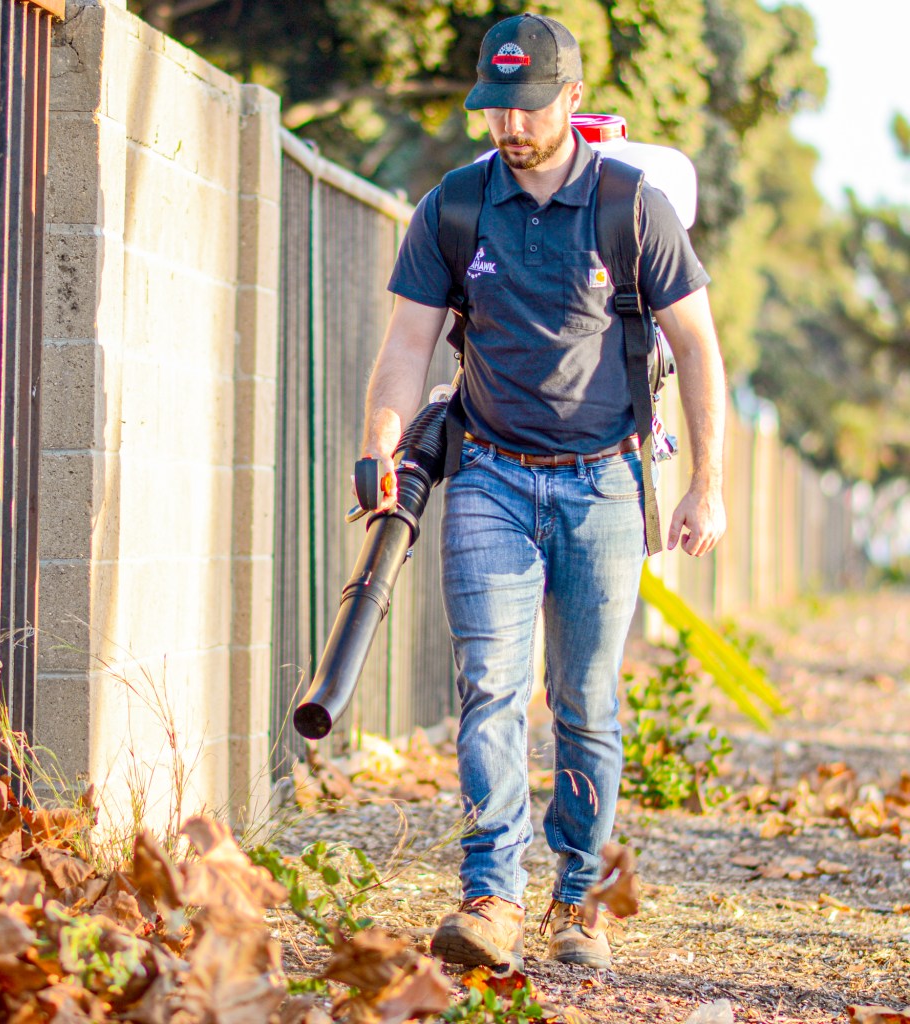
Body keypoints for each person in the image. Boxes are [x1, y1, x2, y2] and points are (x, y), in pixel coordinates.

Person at [359, 12, 726, 971]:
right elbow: (405, 347)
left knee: (588, 700)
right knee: (489, 690)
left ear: (571, 99)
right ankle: (492, 898)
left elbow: (698, 348)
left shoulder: (631, 206)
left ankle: (583, 901)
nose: (510, 127)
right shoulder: (456, 206)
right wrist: (381, 450)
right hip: (488, 475)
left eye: (528, 107)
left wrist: (706, 488)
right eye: (495, 108)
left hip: (604, 484)